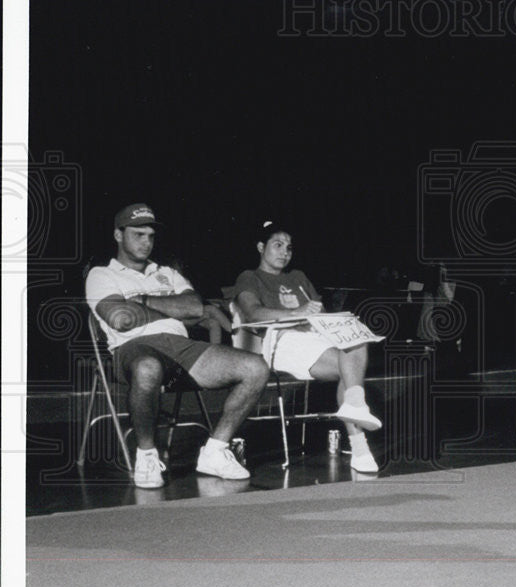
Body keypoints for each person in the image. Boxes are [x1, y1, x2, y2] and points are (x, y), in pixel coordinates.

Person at [85, 204, 269, 489]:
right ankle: (146, 455)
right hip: (133, 348)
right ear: (118, 235)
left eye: (150, 236)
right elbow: (120, 319)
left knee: (255, 367)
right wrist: (173, 308)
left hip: (182, 348)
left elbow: (196, 308)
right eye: (138, 234)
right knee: (148, 367)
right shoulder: (102, 275)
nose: (146, 242)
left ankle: (215, 451)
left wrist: (141, 302)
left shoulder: (167, 272)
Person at [233, 222, 382, 473]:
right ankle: (359, 446)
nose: (285, 252)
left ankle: (355, 403)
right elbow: (253, 313)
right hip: (280, 340)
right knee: (351, 370)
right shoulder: (249, 277)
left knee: (356, 339)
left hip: (313, 337)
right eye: (277, 245)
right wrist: (296, 312)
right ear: (261, 247)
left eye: (289, 247)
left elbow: (319, 312)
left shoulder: (298, 277)